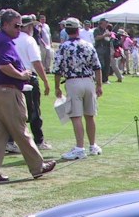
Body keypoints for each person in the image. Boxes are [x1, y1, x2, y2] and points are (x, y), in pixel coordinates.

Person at [0, 8, 55, 182]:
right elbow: (4, 65)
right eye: (16, 25)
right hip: (7, 92)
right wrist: (22, 75)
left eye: (21, 25)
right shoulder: (5, 42)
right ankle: (37, 167)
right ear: (5, 24)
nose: (19, 29)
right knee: (21, 130)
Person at [54, 17, 103, 161]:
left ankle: (80, 148)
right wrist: (99, 85)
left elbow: (57, 69)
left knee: (76, 116)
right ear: (78, 29)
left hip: (73, 82)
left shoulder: (64, 47)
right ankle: (93, 145)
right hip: (89, 81)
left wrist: (57, 87)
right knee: (90, 115)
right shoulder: (88, 45)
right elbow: (97, 67)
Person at [12, 14, 52, 152]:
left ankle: (11, 141)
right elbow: (36, 62)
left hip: (12, 78)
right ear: (28, 27)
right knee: (33, 110)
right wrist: (45, 81)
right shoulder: (29, 40)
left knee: (14, 111)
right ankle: (39, 140)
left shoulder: (10, 39)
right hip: (28, 77)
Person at [93, 19, 113, 84]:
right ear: (101, 23)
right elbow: (96, 38)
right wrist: (104, 36)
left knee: (107, 64)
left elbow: (109, 40)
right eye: (105, 22)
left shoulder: (106, 30)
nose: (107, 24)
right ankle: (98, 79)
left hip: (107, 48)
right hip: (100, 48)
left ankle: (105, 79)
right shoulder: (97, 30)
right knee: (101, 64)